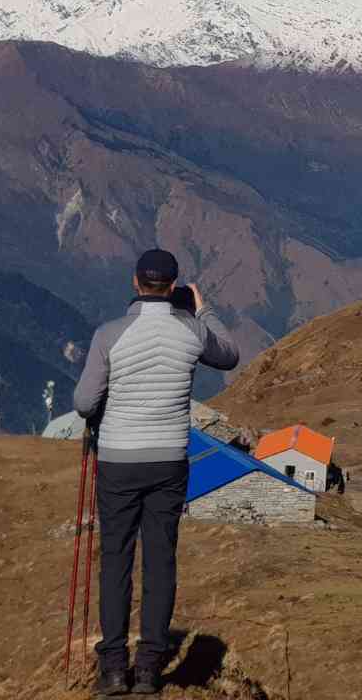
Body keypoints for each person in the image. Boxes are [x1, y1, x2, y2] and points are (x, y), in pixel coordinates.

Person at [73, 248, 241, 695]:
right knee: (161, 558)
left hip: (118, 461)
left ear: (134, 282)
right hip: (168, 460)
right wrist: (203, 309)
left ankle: (112, 669)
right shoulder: (191, 331)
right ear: (175, 286)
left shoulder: (109, 335)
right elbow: (229, 355)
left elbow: (85, 404)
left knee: (116, 560)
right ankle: (149, 668)